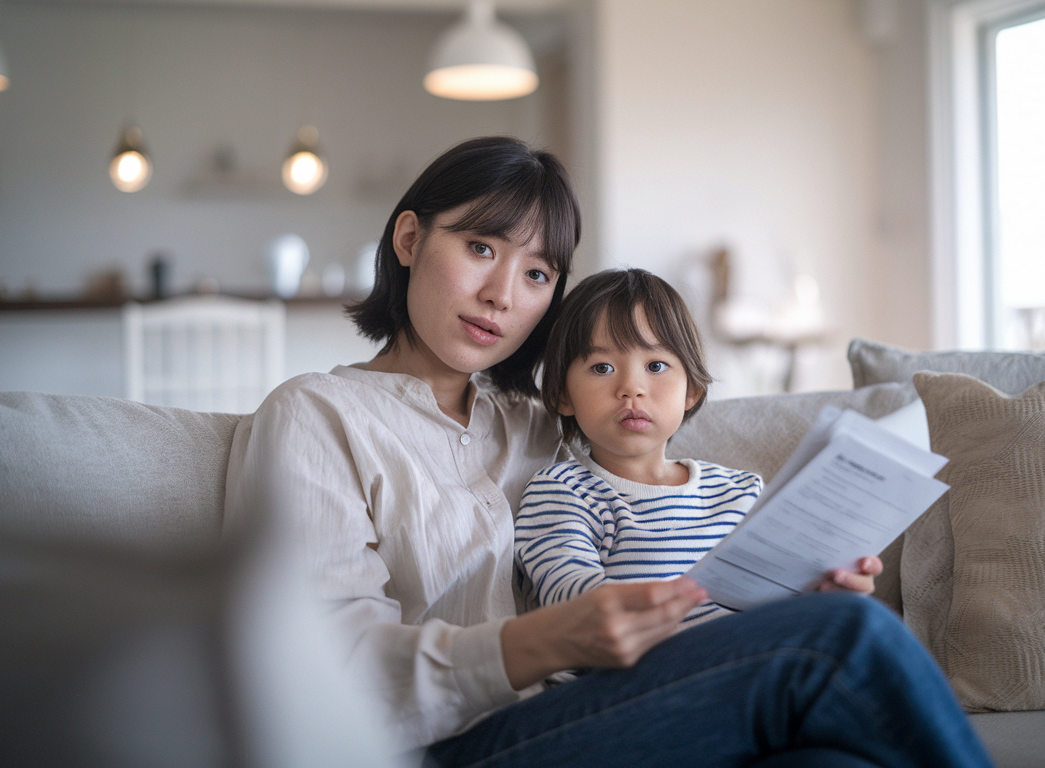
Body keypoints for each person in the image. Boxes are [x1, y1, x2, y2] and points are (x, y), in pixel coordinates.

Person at [223, 136, 994, 768]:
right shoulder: (316, 416)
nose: (502, 294)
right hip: (446, 749)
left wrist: (794, 583)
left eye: (537, 273)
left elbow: (658, 460)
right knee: (845, 640)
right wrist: (545, 640)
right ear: (409, 239)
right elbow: (319, 678)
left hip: (599, 717)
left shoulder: (542, 425)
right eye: (481, 247)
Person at [516, 268, 879, 628]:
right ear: (562, 395)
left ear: (691, 390)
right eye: (602, 368)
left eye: (656, 365)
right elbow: (574, 609)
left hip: (762, 653)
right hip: (652, 661)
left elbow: (787, 600)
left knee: (861, 616)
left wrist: (829, 590)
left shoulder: (743, 493)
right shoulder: (564, 492)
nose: (632, 388)